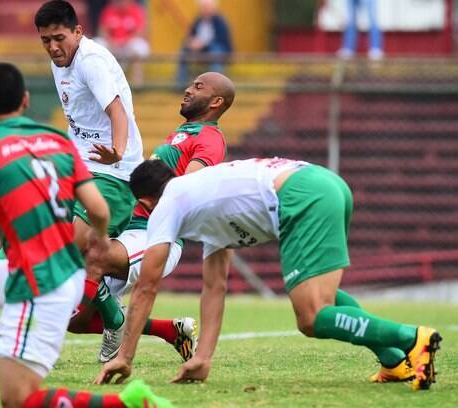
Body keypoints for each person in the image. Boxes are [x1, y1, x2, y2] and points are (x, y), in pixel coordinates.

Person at [0, 62, 172, 408]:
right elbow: (99, 211)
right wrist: (100, 242)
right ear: (25, 100)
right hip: (59, 272)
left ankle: (130, 404)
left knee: (18, 398)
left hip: (38, 281)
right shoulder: (59, 141)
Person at [96, 158, 442, 391]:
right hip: (325, 183)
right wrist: (202, 357)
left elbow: (146, 287)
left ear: (145, 202)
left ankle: (412, 338)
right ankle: (394, 360)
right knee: (324, 298)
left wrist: (124, 355)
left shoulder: (169, 203)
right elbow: (214, 287)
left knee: (311, 317)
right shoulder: (199, 194)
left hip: (301, 196)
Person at [69, 71, 235, 363]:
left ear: (216, 101)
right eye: (190, 83)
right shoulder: (185, 132)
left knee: (93, 254)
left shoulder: (210, 139)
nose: (188, 89)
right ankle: (171, 330)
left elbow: (186, 188)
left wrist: (150, 196)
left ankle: (113, 324)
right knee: (76, 321)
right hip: (132, 229)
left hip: (154, 234)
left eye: (198, 87)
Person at [32, 0, 144, 363]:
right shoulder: (58, 59)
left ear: (78, 32)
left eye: (59, 38)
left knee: (72, 248)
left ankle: (111, 319)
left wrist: (117, 149)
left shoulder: (91, 62)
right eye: (46, 40)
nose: (53, 47)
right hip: (79, 167)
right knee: (31, 212)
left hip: (113, 172)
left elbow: (117, 111)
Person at [176, 0, 232, 87]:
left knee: (215, 51)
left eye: (206, 7)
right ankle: (180, 84)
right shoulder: (198, 21)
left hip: (217, 50)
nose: (204, 10)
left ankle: (216, 86)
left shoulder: (220, 21)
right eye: (202, 7)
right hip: (200, 50)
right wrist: (191, 42)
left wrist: (203, 44)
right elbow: (191, 35)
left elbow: (222, 40)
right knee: (184, 50)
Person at [96, 0, 150, 86]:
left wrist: (125, 41)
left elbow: (141, 32)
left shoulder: (136, 10)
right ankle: (101, 82)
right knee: (98, 43)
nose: (121, 2)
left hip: (129, 45)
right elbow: (102, 31)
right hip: (112, 45)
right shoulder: (109, 10)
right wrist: (112, 42)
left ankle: (137, 83)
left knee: (138, 45)